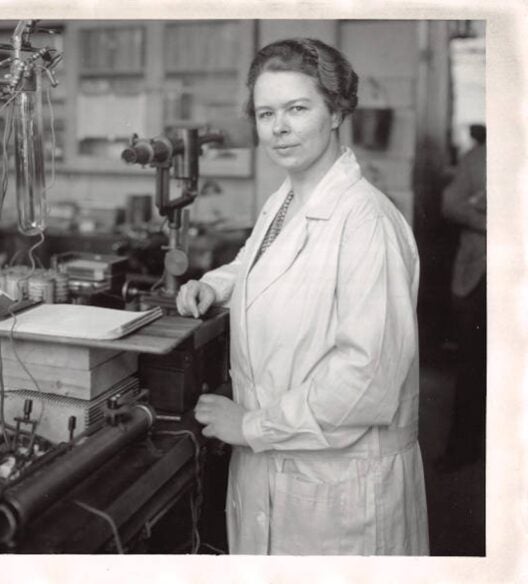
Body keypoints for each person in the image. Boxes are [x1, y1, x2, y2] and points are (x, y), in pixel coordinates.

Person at [176, 38, 429, 555]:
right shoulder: (287, 198)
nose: (279, 127)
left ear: (336, 111)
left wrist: (248, 426)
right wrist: (214, 284)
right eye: (266, 113)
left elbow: (367, 380)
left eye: (297, 108)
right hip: (282, 473)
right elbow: (258, 261)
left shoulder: (367, 223)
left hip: (340, 495)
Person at [437, 125, 486, 470]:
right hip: (477, 277)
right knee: (472, 367)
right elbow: (450, 204)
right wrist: (487, 219)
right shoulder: (478, 159)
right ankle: (463, 450)